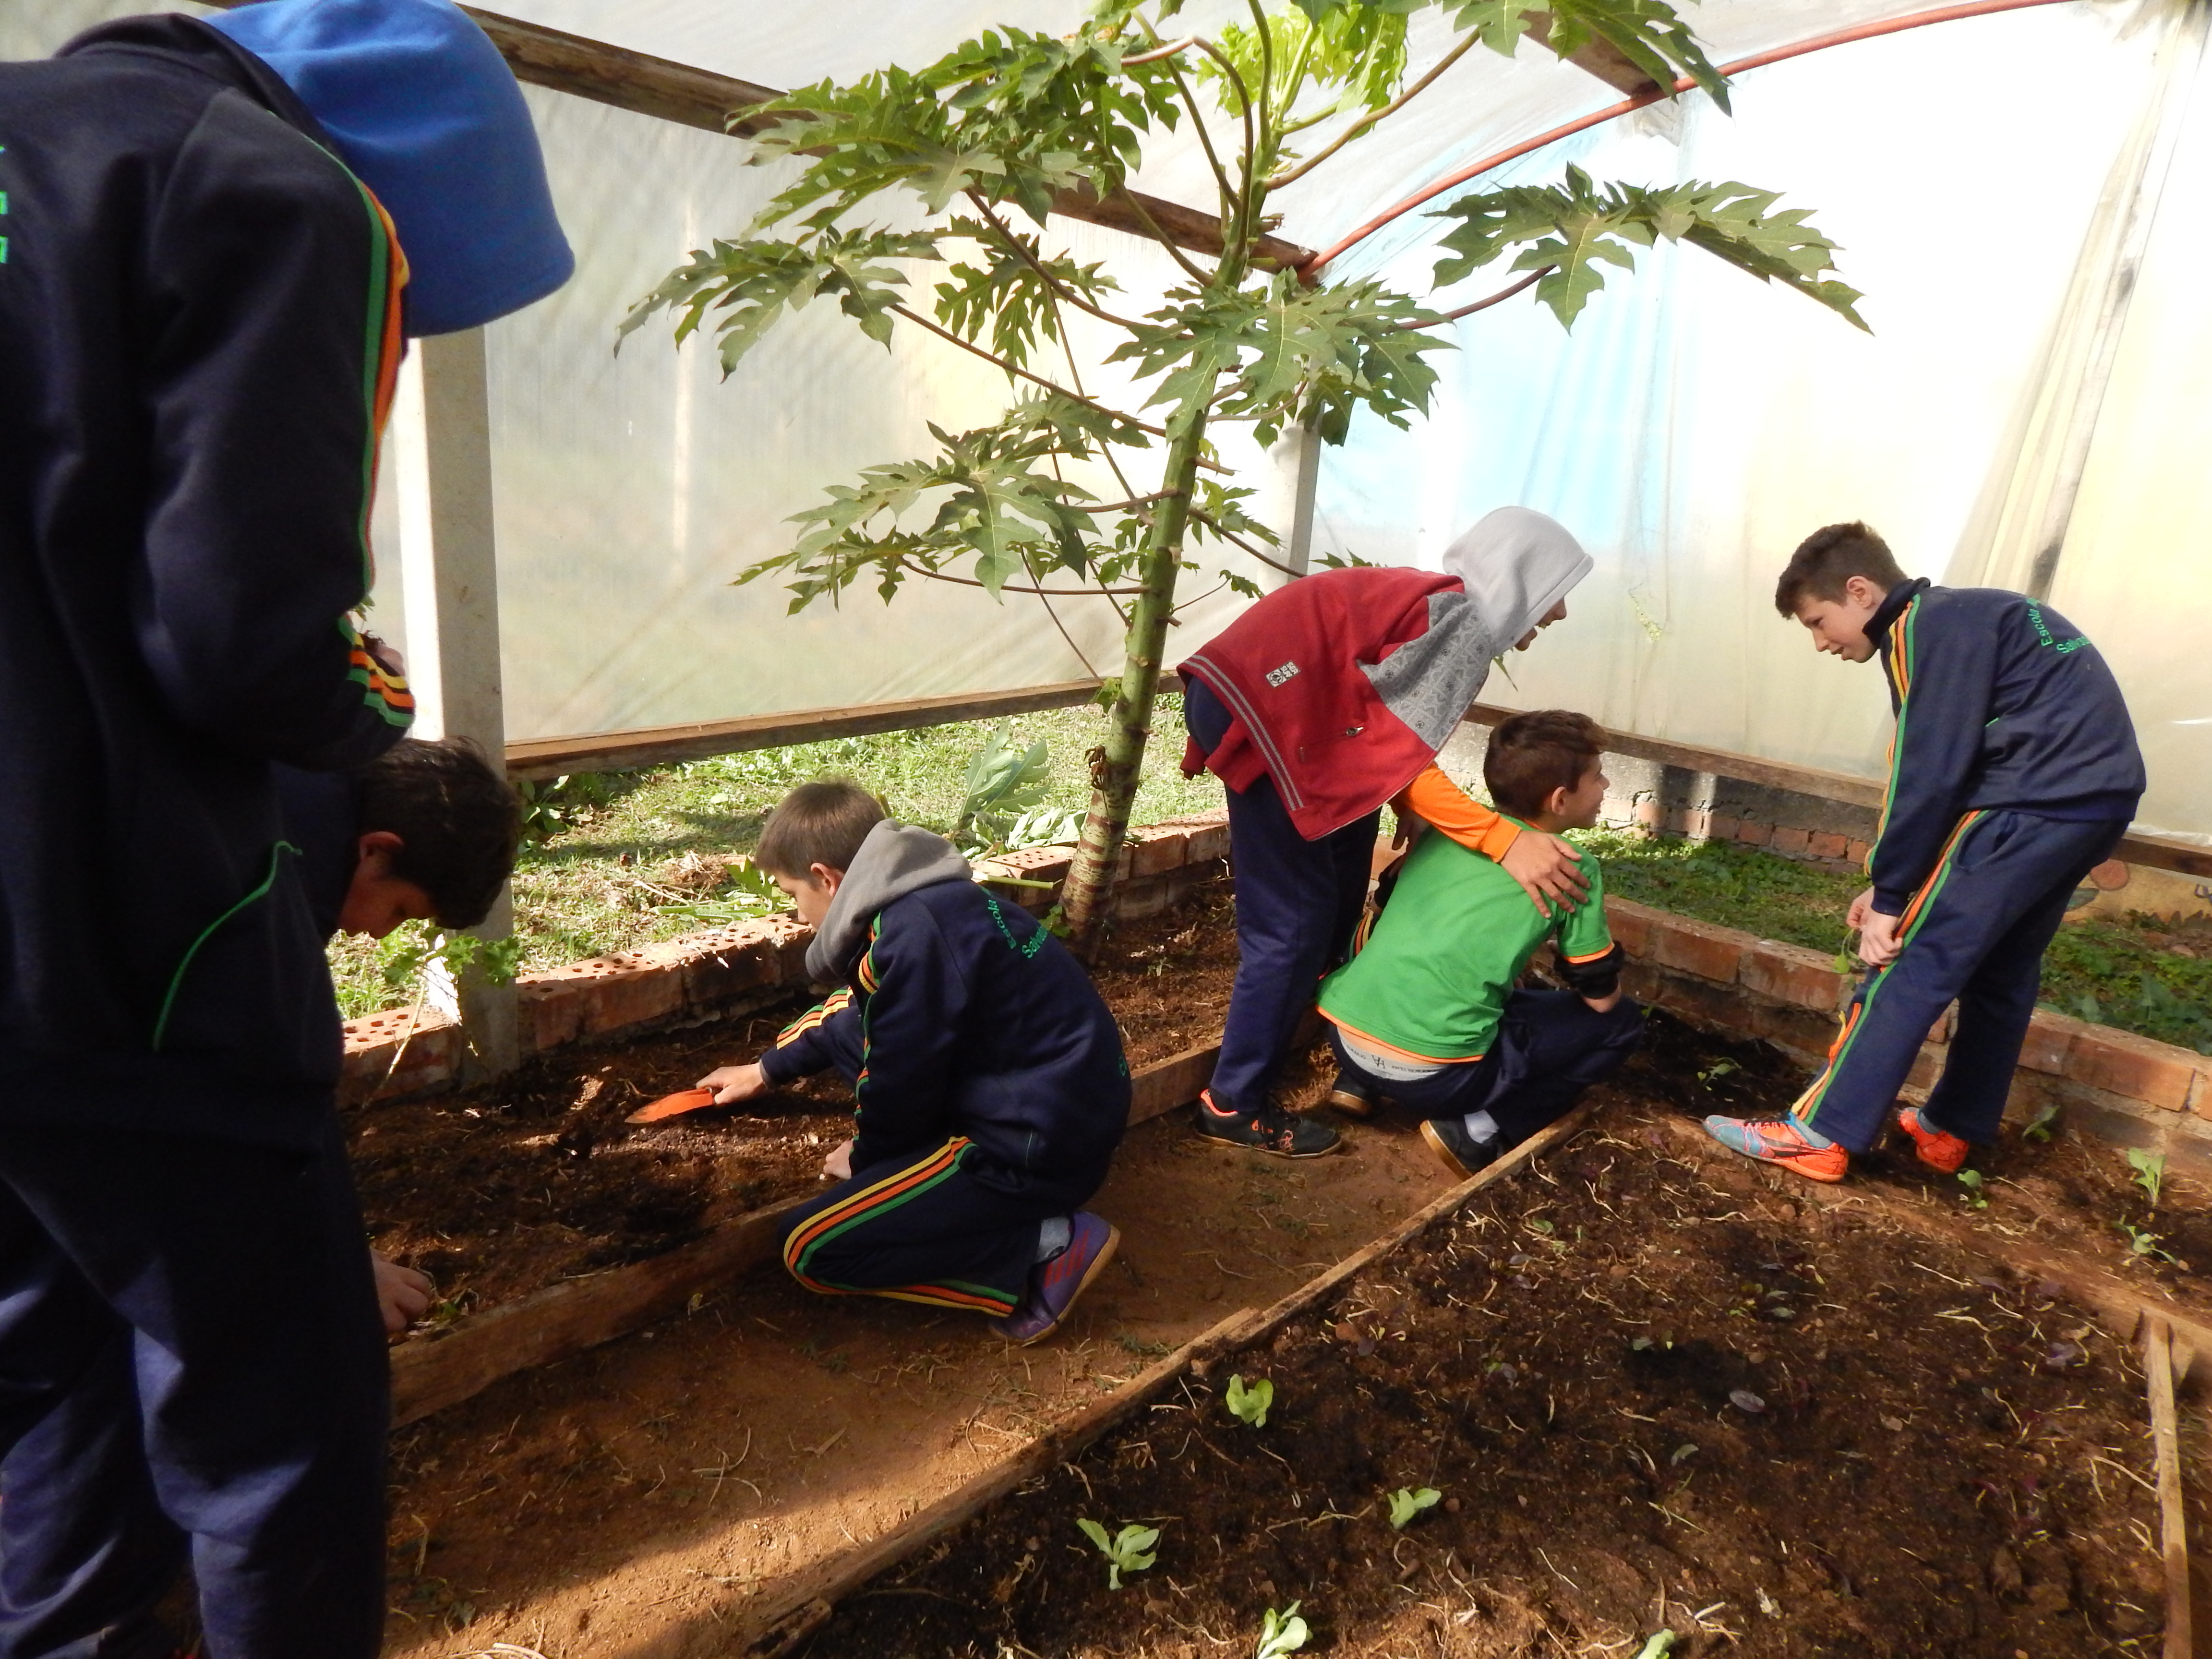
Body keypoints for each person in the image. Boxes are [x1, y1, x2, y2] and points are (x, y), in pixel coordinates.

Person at [0, 0, 569, 1651]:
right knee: (277, 1433)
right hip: (100, 945)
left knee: (44, 1378)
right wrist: (367, 700)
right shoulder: (277, 190)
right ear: (410, 194)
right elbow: (239, 628)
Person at [0, 736, 526, 1656]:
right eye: (398, 910)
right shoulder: (259, 881)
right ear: (378, 847)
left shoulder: (240, 782)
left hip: (36, 1113)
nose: (374, 935)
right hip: (105, 1102)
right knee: (282, 1439)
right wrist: (316, 1262)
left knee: (74, 1383)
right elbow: (240, 1120)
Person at [1704, 523, 2144, 1184]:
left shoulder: (1920, 629)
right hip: (2091, 803)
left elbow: (1930, 771)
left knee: (1909, 958)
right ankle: (1952, 1128)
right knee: (2000, 974)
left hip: (2029, 803)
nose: (1823, 643)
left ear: (1861, 591)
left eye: (1821, 623)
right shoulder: (1975, 614)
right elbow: (1964, 766)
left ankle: (1818, 1132)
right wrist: (1896, 881)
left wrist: (1891, 902)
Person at [1178, 507, 1596, 1157]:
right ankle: (1232, 1104)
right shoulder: (1463, 625)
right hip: (1267, 714)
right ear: (1519, 577)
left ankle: (1335, 1031)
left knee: (1343, 883)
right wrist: (1505, 839)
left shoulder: (1443, 607)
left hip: (1267, 705)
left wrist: (1396, 793)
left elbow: (1380, 729)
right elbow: (1396, 747)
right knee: (1293, 925)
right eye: (1556, 590)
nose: (1561, 613)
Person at [698, 782, 1131, 1346]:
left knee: (810, 1248)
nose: (797, 913)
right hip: (1061, 1109)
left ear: (827, 878)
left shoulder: (912, 942)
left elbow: (903, 1085)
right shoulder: (929, 905)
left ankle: (1047, 1246)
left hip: (1028, 1151)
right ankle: (1024, 1221)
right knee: (858, 1011)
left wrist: (870, 1163)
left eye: (792, 893)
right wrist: (768, 1069)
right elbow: (856, 1012)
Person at [1318, 711, 1643, 1175]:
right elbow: (1595, 987)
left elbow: (1386, 903)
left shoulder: (1451, 829)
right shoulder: (1574, 866)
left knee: (1450, 972)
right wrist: (1605, 999)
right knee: (1621, 1023)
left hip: (1344, 1035)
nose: (1607, 785)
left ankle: (1359, 1084)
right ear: (1560, 798)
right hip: (1436, 1080)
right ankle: (1481, 1130)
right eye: (1598, 776)